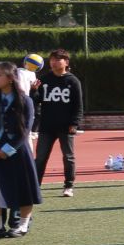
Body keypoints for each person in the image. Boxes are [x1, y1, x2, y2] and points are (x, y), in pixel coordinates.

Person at [0, 62, 40, 237]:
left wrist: (7, 150)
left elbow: (25, 130)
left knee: (24, 188)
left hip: (18, 151)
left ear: (11, 78)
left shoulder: (25, 100)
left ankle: (22, 225)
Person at [31, 48, 83, 198]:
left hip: (66, 126)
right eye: (52, 60)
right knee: (40, 158)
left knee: (68, 157)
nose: (53, 62)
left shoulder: (73, 81)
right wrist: (33, 91)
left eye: (57, 60)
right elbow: (36, 101)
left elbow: (78, 105)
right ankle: (35, 187)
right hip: (47, 126)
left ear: (66, 62)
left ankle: (68, 185)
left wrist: (74, 123)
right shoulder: (44, 79)